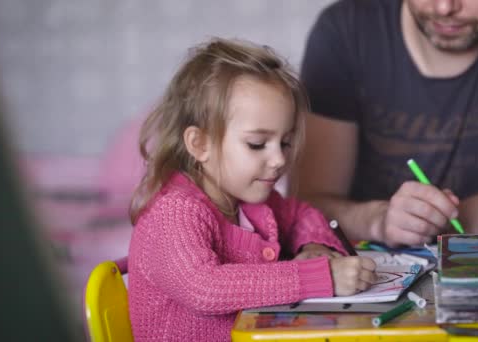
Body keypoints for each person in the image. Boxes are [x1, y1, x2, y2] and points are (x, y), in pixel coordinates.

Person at [126, 38, 377, 341]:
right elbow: (205, 287)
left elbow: (301, 215)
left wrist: (312, 248)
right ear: (200, 144)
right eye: (257, 144)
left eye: (285, 142)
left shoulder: (254, 203)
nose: (279, 159)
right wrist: (321, 277)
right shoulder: (173, 213)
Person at [298, 0, 478, 247]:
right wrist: (380, 221)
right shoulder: (345, 31)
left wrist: (439, 221)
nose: (445, 7)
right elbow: (306, 207)